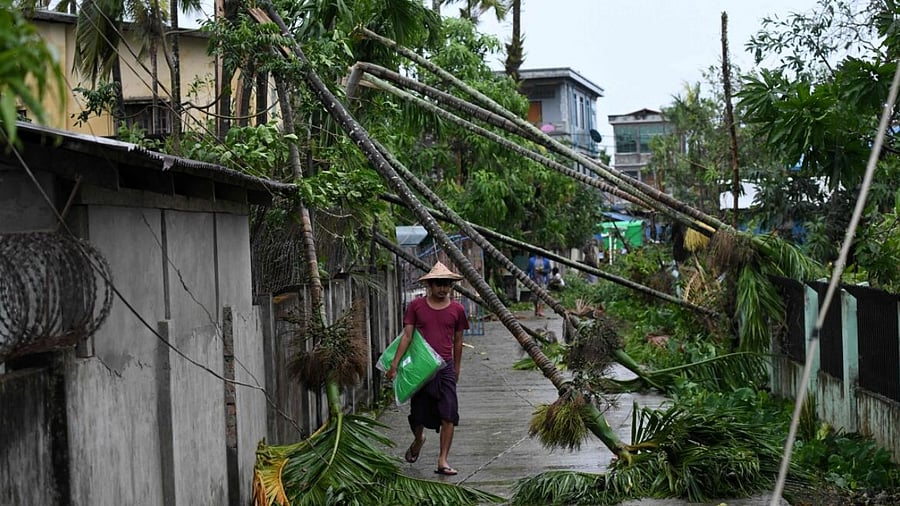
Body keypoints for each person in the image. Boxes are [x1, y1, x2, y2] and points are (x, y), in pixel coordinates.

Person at [386, 261, 469, 477]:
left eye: (447, 284)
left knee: (449, 414)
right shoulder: (416, 306)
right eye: (439, 284)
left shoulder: (457, 310)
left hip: (445, 368)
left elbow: (458, 341)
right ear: (429, 285)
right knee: (418, 414)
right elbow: (407, 336)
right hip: (420, 370)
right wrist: (394, 364)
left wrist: (457, 368)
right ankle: (418, 438)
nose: (443, 288)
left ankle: (442, 460)